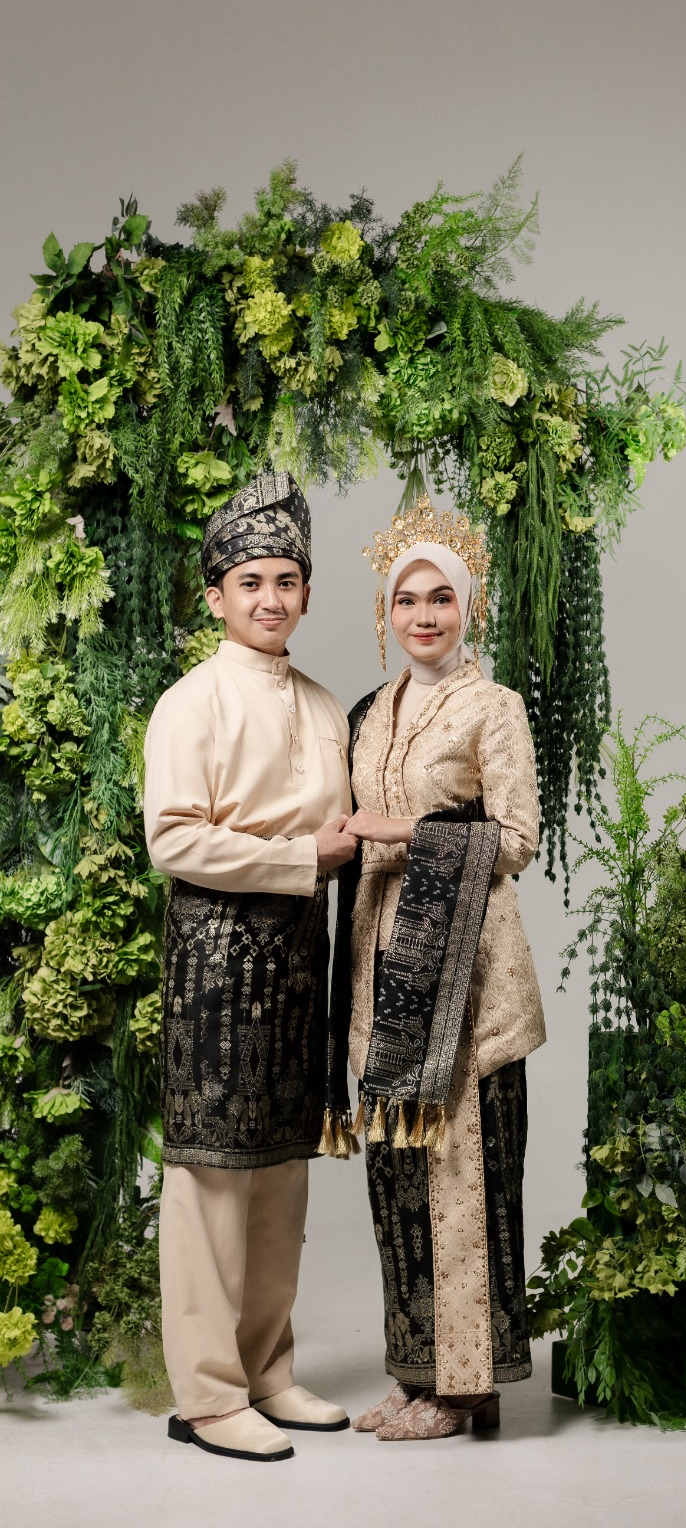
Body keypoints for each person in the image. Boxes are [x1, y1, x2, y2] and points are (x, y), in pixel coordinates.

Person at [143, 472, 357, 1463]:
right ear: (216, 595)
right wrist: (300, 857)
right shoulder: (191, 702)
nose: (271, 599)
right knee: (212, 1180)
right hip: (216, 958)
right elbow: (175, 838)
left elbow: (344, 826)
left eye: (287, 580)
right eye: (250, 581)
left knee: (280, 1169)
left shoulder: (322, 704)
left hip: (298, 957)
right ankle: (207, 1394)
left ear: (306, 592)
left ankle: (266, 1370)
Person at [328, 496, 546, 1441]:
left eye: (441, 599)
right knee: (399, 1174)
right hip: (382, 968)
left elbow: (518, 838)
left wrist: (397, 829)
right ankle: (417, 1376)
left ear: (468, 608)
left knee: (466, 1174)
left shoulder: (493, 708)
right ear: (385, 612)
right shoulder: (369, 713)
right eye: (406, 600)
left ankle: (467, 1389)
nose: (424, 616)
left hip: (468, 974)